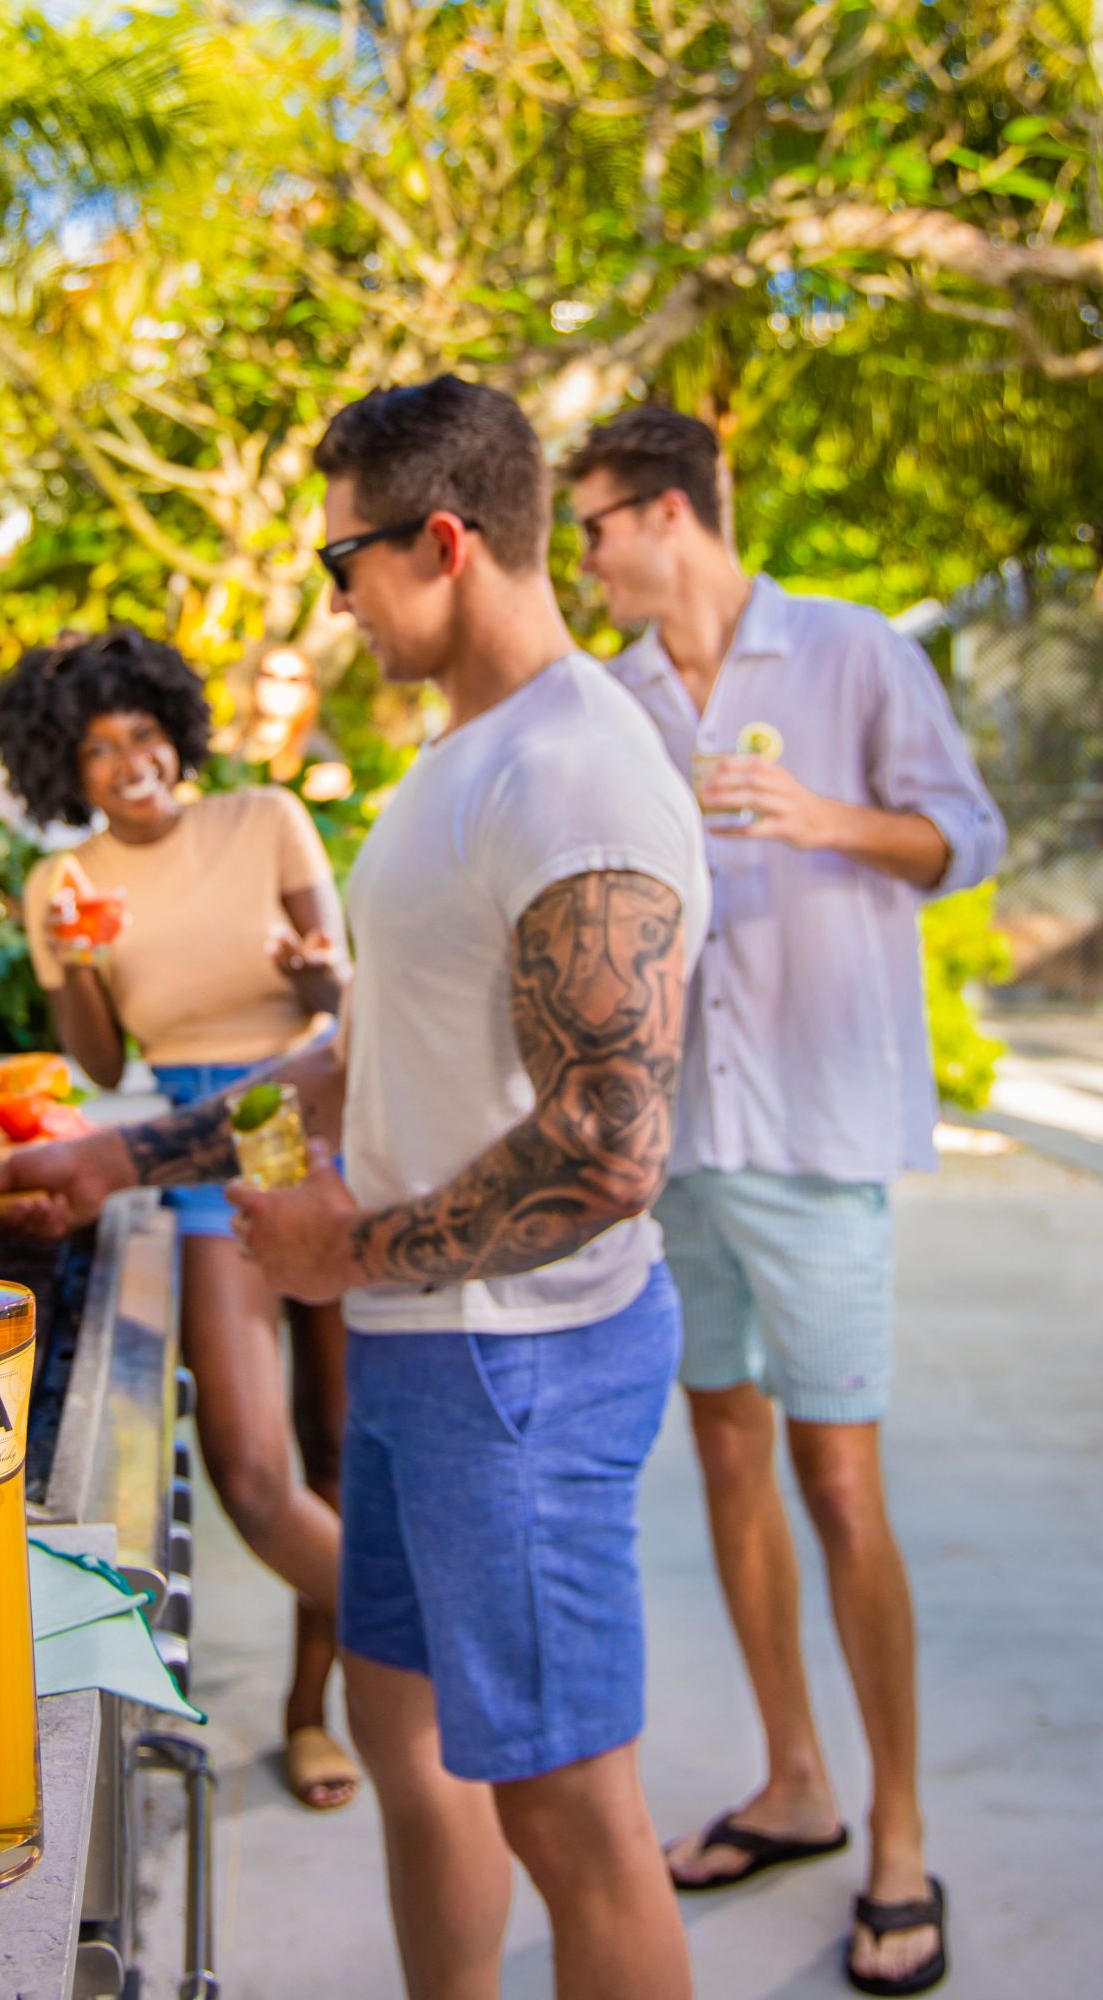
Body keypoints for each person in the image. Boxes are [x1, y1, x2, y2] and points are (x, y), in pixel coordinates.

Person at [0, 377, 709, 2000]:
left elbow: (611, 1146)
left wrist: (350, 1242)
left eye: (342, 563)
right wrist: (120, 1152)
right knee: (399, 1715)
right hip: (420, 1344)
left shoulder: (577, 779)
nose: (333, 599)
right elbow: (356, 1057)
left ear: (442, 543)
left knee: (574, 1815)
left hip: (516, 1363)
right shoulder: (462, 764)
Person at [567, 404, 1006, 1998]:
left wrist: (817, 817)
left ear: (668, 512)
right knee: (732, 1457)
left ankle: (898, 1835)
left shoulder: (852, 653)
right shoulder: (607, 701)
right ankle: (793, 1781)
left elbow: (967, 834)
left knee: (841, 1484)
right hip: (678, 1149)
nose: (589, 554)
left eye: (599, 522)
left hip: (818, 1138)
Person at [0, 629, 360, 1812]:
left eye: (142, 731)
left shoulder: (265, 817)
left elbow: (341, 998)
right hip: (192, 1137)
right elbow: (99, 1057)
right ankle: (438, 1640)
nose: (129, 760)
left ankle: (312, 1715)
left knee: (341, 1445)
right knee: (253, 1467)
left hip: (321, 1119)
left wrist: (312, 972)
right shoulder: (62, 885)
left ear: (175, 729)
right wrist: (76, 959)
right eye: (97, 748)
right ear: (67, 769)